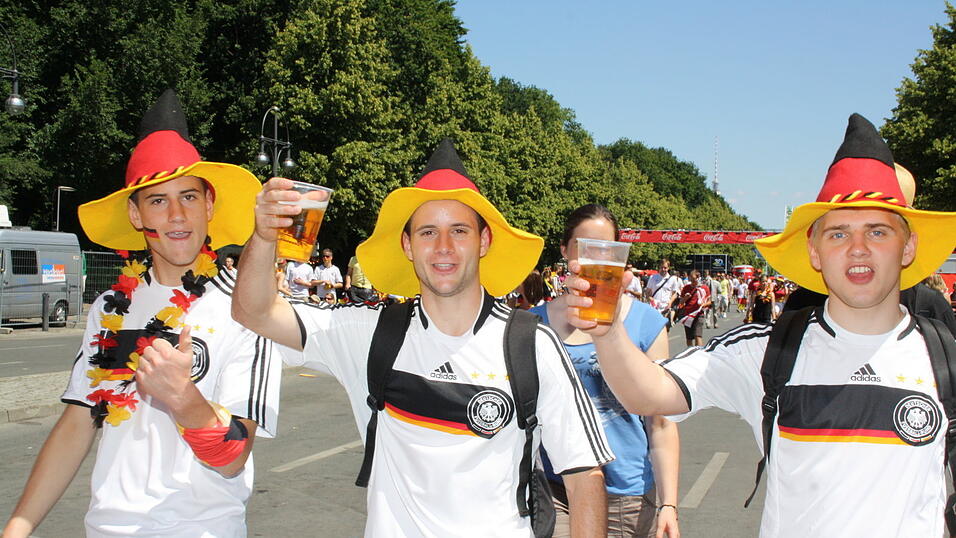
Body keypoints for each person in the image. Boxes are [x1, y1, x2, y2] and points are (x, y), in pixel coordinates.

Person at [560, 113, 956, 537]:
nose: (858, 249)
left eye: (878, 231)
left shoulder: (944, 357)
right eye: (839, 233)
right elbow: (649, 394)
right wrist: (608, 332)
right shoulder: (766, 351)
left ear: (908, 246)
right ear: (815, 252)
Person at [231, 138, 612, 536]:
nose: (443, 247)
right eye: (427, 232)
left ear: (483, 242)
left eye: (459, 230)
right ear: (407, 245)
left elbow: (584, 475)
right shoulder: (369, 334)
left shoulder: (532, 345)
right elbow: (253, 311)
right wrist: (262, 236)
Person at [2, 89, 281, 537]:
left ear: (210, 205)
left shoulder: (250, 308)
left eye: (189, 197)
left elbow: (234, 457)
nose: (176, 215)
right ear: (135, 214)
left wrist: (183, 398)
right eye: (157, 200)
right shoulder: (110, 307)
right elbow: (78, 421)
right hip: (108, 528)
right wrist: (18, 525)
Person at [532, 204, 680, 538]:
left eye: (606, 249)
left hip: (624, 492)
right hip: (555, 485)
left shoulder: (646, 322)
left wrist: (668, 503)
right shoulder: (532, 324)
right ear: (565, 250)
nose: (596, 258)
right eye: (585, 247)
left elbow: (660, 421)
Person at [674, 270, 711, 347]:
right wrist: (685, 298)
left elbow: (710, 301)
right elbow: (681, 302)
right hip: (688, 315)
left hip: (699, 314)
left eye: (694, 279)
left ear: (698, 278)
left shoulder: (704, 288)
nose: (692, 281)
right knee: (689, 338)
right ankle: (690, 353)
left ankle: (699, 353)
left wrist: (703, 304)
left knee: (698, 335)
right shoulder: (686, 288)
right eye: (691, 279)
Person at [645, 259, 681, 326]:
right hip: (654, 307)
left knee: (664, 329)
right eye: (661, 267)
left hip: (665, 307)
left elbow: (675, 294)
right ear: (659, 267)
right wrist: (650, 299)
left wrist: (670, 302)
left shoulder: (672, 279)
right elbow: (647, 292)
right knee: (654, 328)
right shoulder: (653, 277)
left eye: (665, 268)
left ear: (668, 268)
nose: (663, 269)